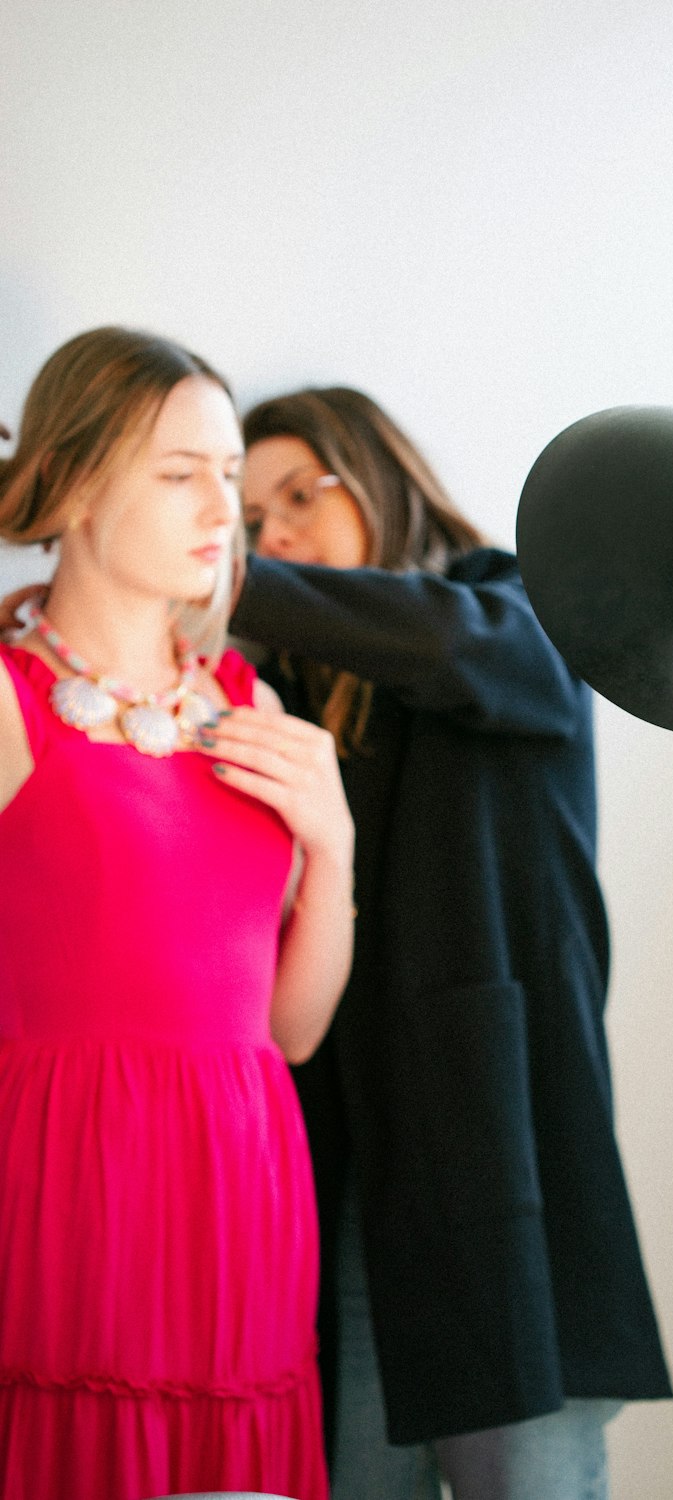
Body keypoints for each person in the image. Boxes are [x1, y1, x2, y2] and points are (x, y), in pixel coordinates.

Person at [230, 385, 673, 1500]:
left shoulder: (515, 612)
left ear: (382, 474)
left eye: (296, 497)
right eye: (247, 525)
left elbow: (450, 642)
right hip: (353, 1205)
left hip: (510, 1181)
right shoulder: (283, 699)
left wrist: (213, 576)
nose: (273, 535)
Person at [0, 327, 356, 1500]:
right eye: (178, 472)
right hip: (61, 1186)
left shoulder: (247, 702)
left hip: (239, 1187)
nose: (224, 505)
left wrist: (334, 843)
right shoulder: (8, 699)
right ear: (72, 484)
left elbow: (291, 1031)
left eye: (229, 466)